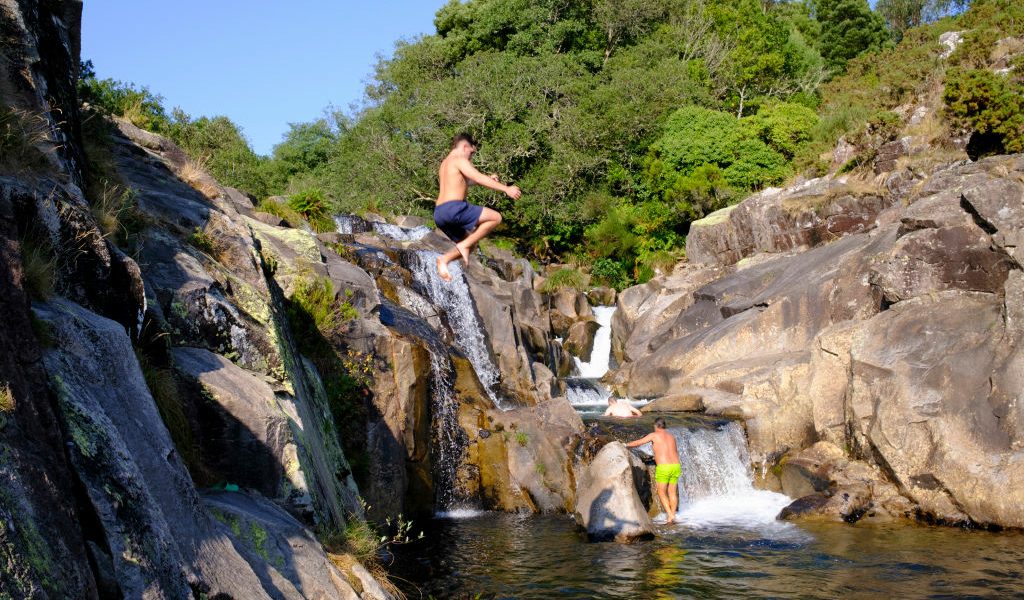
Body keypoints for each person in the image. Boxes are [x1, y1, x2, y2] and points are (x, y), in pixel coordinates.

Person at [433, 133, 521, 281]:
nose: (471, 156)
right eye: (471, 153)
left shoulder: (445, 163)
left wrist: (487, 178)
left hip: (440, 214)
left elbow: (465, 182)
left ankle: (444, 260)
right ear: (465, 146)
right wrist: (506, 189)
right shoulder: (459, 158)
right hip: (454, 208)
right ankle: (462, 247)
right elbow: (478, 177)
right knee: (496, 218)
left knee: (471, 244)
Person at [626, 417, 681, 524]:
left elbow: (639, 442)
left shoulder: (654, 435)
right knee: (672, 492)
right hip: (676, 466)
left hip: (664, 468)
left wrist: (626, 445)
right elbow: (672, 451)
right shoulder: (671, 436)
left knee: (661, 492)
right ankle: (673, 514)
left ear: (656, 426)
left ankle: (669, 515)